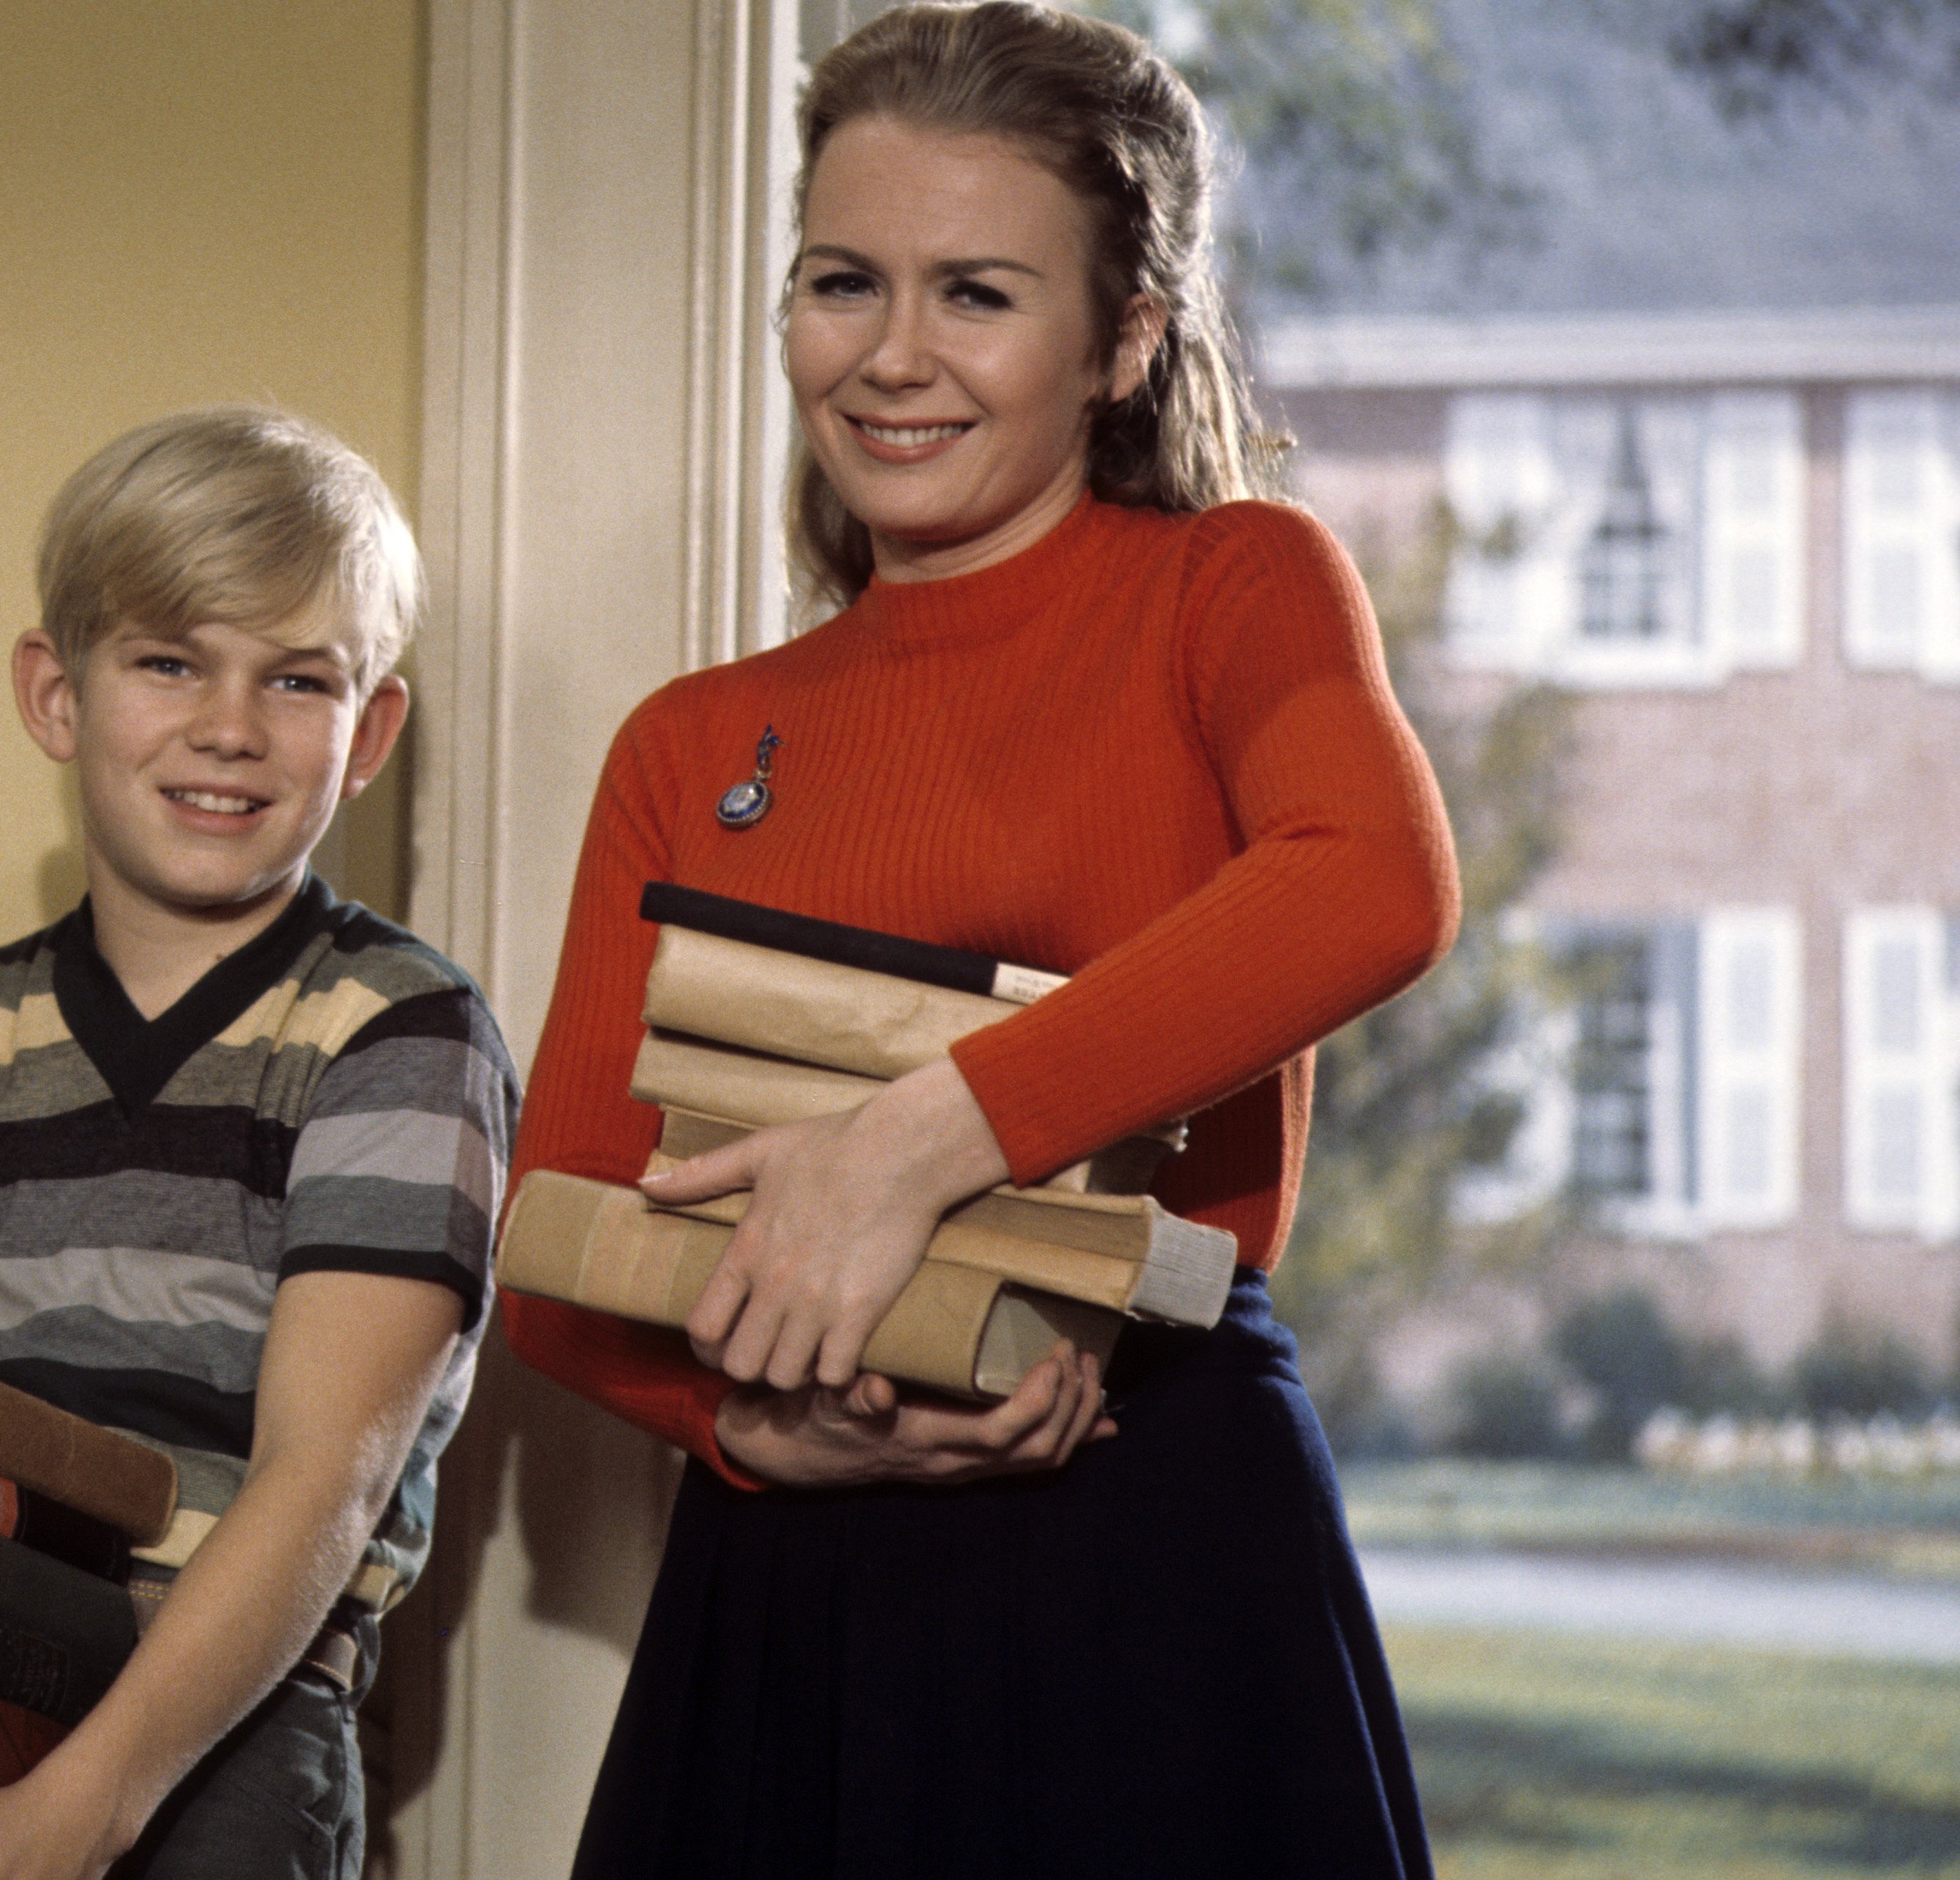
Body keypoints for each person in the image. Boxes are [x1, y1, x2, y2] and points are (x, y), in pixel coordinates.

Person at [502, 5, 1459, 1876]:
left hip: (1148, 1538)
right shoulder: (688, 743)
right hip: (791, 1580)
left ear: (1120, 341)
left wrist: (908, 1146)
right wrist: (748, 1433)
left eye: (978, 295)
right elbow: (556, 1243)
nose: (892, 358)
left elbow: (1373, 876)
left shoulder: (1229, 589)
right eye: (842, 282)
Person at [0, 408, 518, 1880]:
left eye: (298, 679)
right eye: (168, 660)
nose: (228, 726)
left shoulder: (397, 1030)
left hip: (222, 1711)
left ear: (369, 730)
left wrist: (94, 1796)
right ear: (54, 695)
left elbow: (320, 1475)